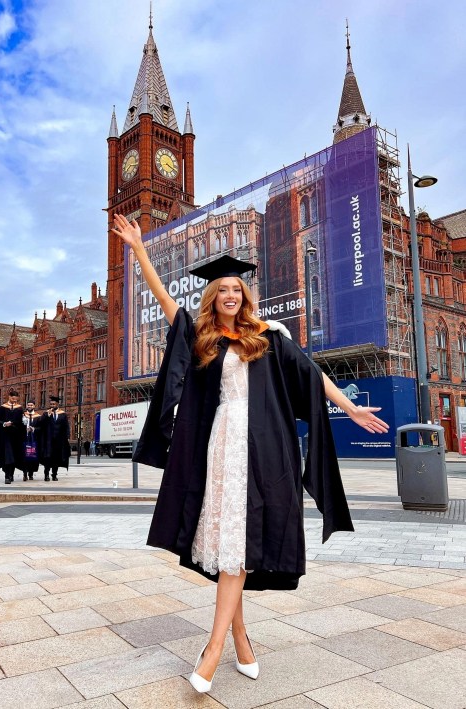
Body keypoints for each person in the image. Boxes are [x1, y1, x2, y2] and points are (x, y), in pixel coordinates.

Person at [112, 214, 389, 694]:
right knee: (228, 545)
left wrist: (351, 408)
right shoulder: (204, 338)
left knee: (236, 545)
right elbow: (166, 302)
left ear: (245, 296)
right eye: (222, 290)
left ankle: (213, 648)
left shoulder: (270, 334)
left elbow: (311, 375)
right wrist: (138, 249)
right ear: (213, 299)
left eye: (236, 289)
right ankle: (239, 638)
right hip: (221, 443)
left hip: (263, 447)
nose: (230, 295)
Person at [0, 389, 25, 485]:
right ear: (9, 397)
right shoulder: (2, 408)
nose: (14, 401)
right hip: (5, 436)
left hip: (16, 436)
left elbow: (21, 422)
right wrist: (4, 423)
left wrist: (22, 422)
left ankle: (11, 474)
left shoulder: (19, 409)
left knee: (14, 456)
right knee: (7, 455)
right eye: (13, 399)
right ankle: (7, 475)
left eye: (16, 400)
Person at [39, 395, 70, 481]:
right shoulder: (46, 413)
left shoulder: (63, 414)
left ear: (57, 404)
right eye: (51, 404)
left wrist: (67, 436)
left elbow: (66, 426)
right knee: (48, 457)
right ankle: (46, 474)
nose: (52, 406)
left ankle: (54, 475)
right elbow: (41, 423)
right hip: (48, 440)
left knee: (56, 458)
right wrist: (47, 416)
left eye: (54, 404)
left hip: (59, 440)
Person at [22, 399, 41, 481]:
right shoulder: (22, 415)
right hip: (24, 439)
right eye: (28, 405)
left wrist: (33, 429)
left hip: (34, 439)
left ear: (34, 406)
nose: (29, 406)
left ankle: (31, 474)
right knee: (24, 457)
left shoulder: (38, 416)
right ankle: (25, 473)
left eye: (31, 405)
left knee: (32, 457)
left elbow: (41, 428)